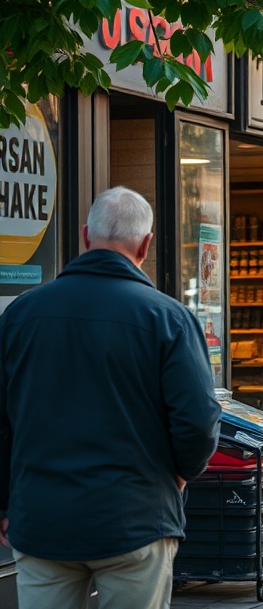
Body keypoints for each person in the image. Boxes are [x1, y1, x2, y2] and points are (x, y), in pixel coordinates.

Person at [0, 186, 221, 609]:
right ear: (146, 244)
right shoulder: (169, 318)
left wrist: (4, 501)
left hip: (42, 517)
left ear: (85, 236)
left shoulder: (21, 315)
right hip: (135, 517)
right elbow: (197, 420)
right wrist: (177, 476)